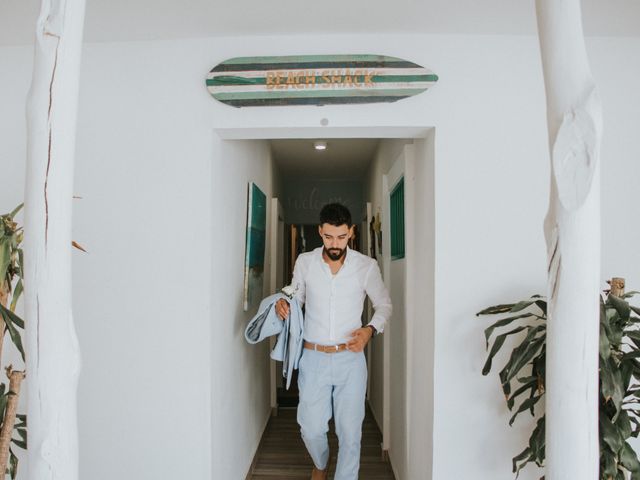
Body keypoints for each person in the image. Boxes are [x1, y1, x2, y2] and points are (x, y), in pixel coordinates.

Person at [276, 203, 392, 480]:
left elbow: (384, 305)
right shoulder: (305, 262)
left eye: (341, 237)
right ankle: (321, 462)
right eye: (328, 237)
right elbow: (297, 297)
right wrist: (285, 303)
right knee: (311, 427)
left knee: (350, 434)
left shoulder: (366, 266)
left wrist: (369, 330)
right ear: (320, 232)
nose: (335, 243)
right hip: (312, 357)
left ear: (351, 232)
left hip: (350, 359)